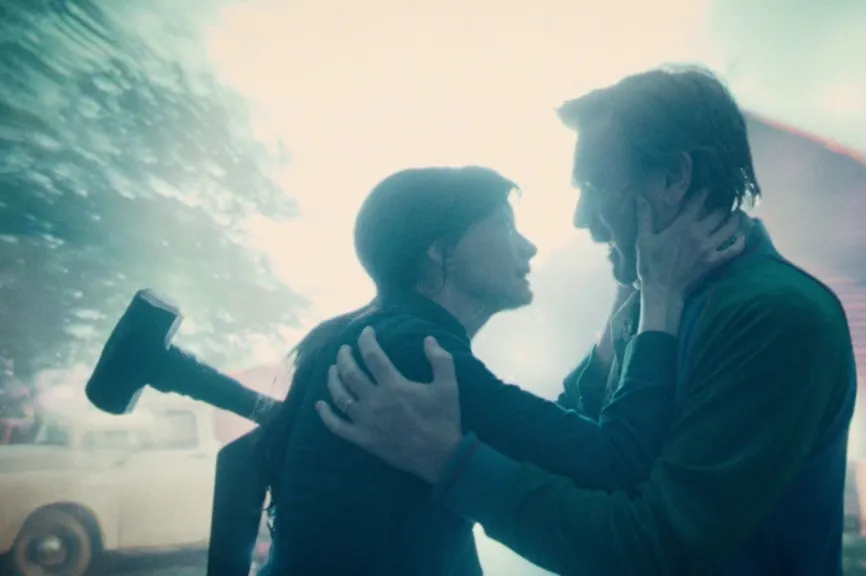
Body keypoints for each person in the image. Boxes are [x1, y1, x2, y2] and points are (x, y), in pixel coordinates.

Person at [318, 66, 858, 575]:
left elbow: (654, 547)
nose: (579, 218)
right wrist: (637, 304)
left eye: (593, 186)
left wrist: (445, 461)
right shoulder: (661, 305)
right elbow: (574, 440)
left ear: (673, 176)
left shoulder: (776, 318)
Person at [258, 165, 741, 574]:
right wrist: (661, 296)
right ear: (440, 250)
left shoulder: (382, 336)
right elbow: (616, 462)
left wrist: (631, 290)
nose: (528, 247)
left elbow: (553, 440)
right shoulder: (411, 356)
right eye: (505, 226)